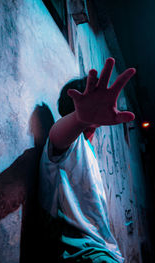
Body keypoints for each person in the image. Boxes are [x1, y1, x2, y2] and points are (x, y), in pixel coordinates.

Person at [38, 57, 136, 263]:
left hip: (104, 253)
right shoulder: (72, 143)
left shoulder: (87, 149)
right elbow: (57, 137)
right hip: (83, 255)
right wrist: (81, 119)